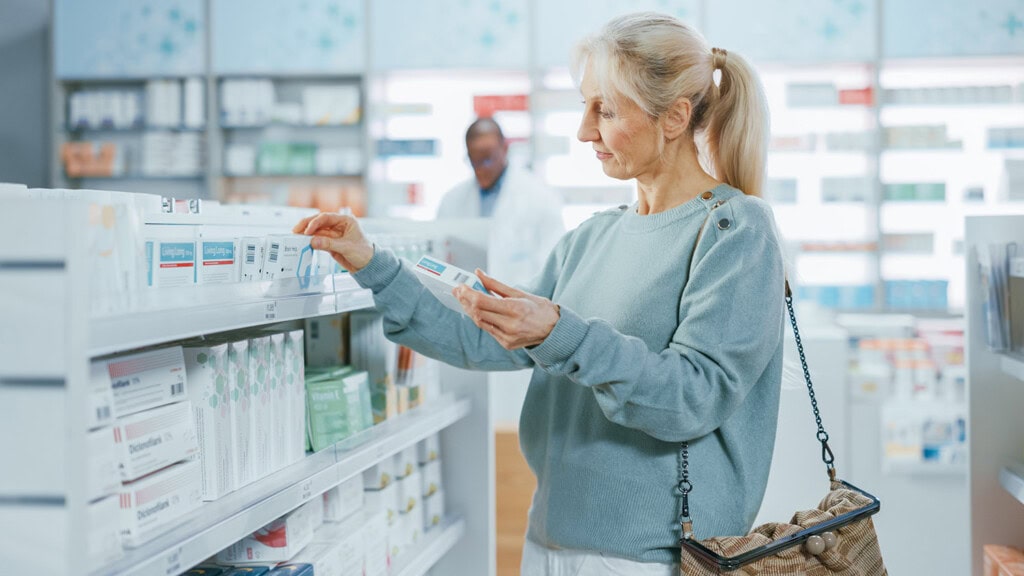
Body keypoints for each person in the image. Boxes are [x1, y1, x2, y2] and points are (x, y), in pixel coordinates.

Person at [294, 11, 784, 576]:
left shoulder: (734, 230)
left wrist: (560, 333)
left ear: (673, 117)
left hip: (650, 557)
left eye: (605, 109)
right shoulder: (591, 237)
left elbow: (694, 395)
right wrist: (374, 265)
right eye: (584, 105)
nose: (583, 130)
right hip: (549, 538)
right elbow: (484, 337)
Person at [436, 117, 564, 287]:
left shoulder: (540, 196)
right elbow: (439, 256)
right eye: (475, 161)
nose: (482, 168)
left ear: (504, 149)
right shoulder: (452, 200)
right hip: (466, 303)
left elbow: (553, 265)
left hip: (522, 303)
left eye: (488, 159)